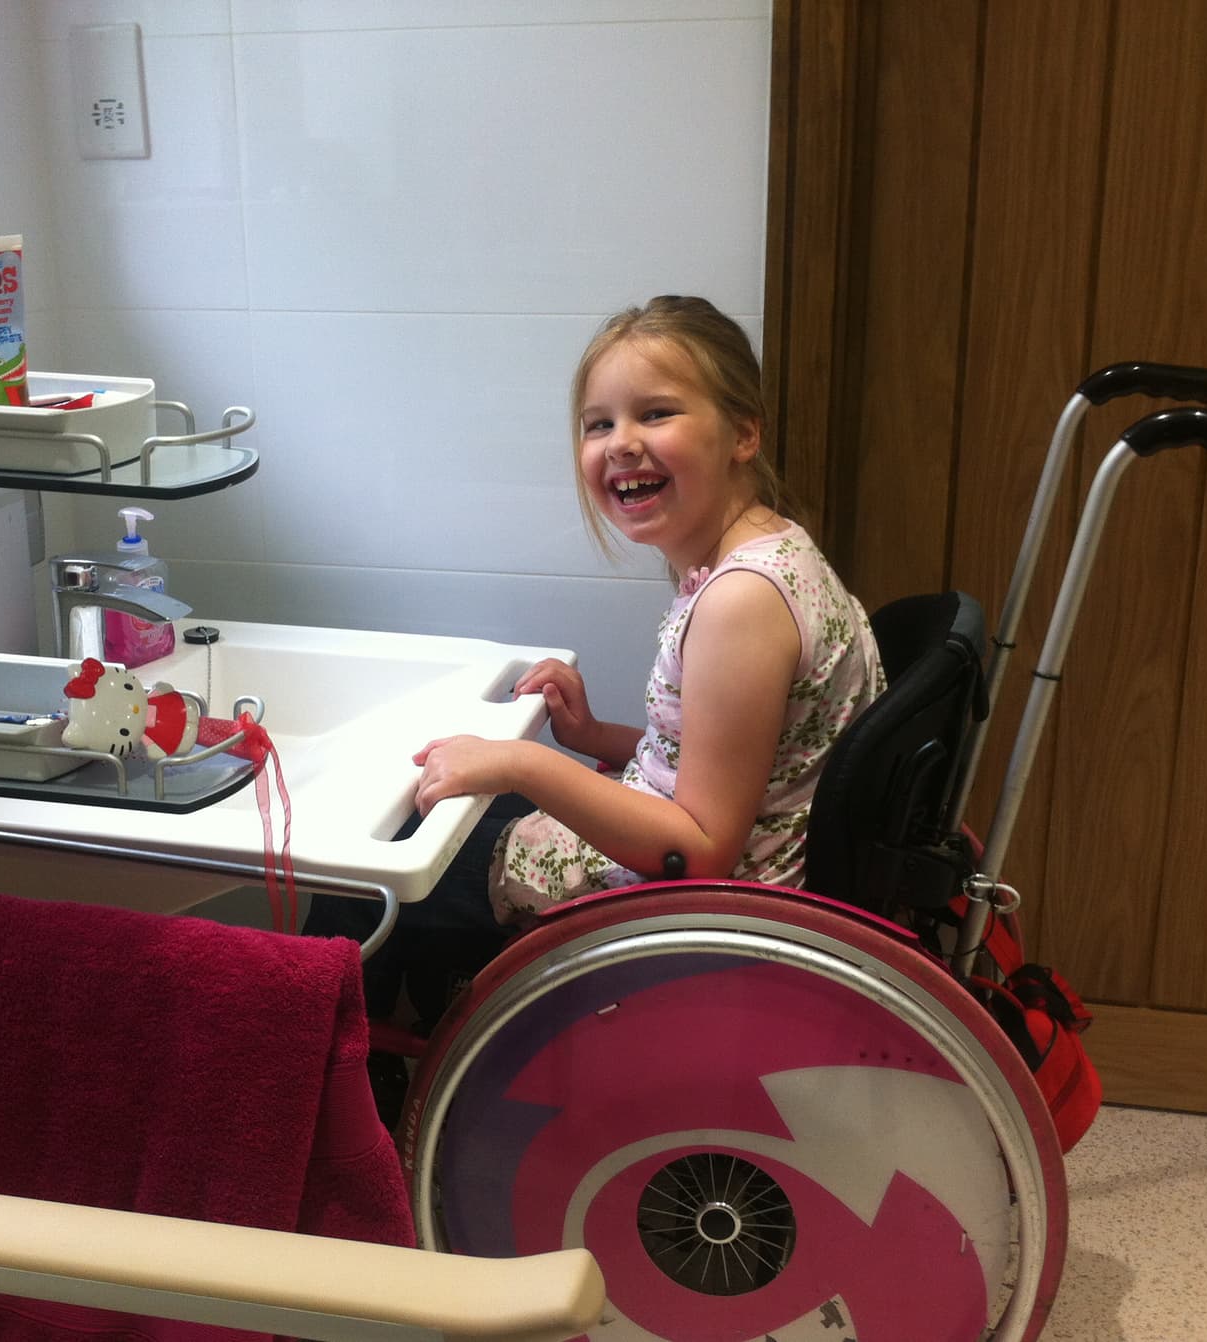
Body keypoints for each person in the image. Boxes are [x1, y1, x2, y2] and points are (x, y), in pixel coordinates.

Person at [305, 295, 884, 1051]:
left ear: (744, 433)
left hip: (694, 910)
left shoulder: (741, 602)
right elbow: (735, 762)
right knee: (452, 810)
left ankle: (333, 1092)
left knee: (369, 870)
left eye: (657, 414)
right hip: (734, 875)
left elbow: (699, 847)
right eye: (599, 423)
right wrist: (591, 736)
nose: (622, 444)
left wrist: (525, 761)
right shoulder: (772, 554)